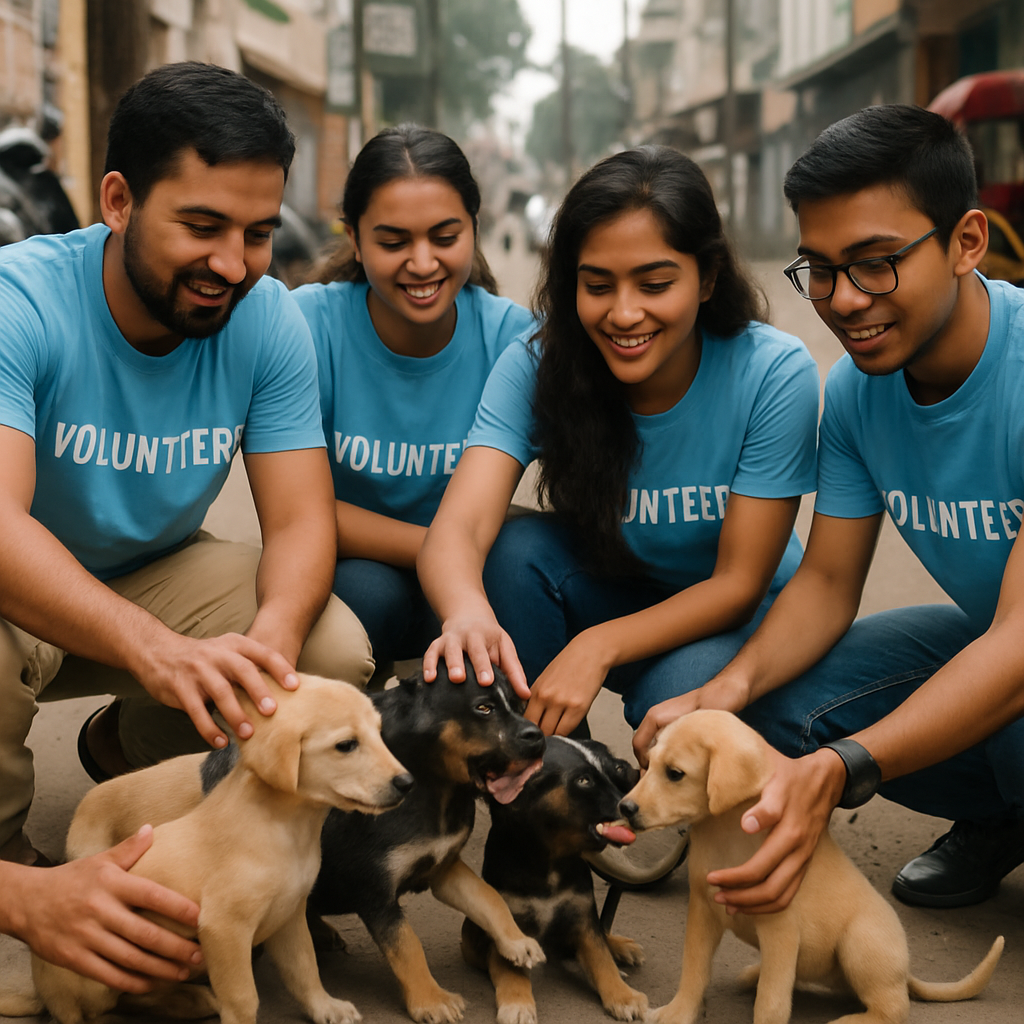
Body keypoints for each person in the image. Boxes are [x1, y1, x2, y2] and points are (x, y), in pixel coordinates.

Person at [0, 62, 373, 986]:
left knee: (327, 647)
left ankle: (149, 773)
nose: (231, 263)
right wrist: (156, 653)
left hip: (153, 572)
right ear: (118, 201)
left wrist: (270, 658)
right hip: (17, 585)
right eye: (201, 226)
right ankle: (21, 881)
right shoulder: (22, 299)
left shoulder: (267, 317)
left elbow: (299, 525)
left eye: (254, 233)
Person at [634, 104, 1024, 915]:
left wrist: (849, 765)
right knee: (779, 710)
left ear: (966, 242)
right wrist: (729, 688)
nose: (844, 300)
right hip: (997, 641)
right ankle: (1001, 814)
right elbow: (826, 583)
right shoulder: (853, 394)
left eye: (876, 263)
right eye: (820, 267)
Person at [417, 146, 819, 736]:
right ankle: (549, 789)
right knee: (511, 551)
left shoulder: (772, 372)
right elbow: (458, 529)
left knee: (673, 703)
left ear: (707, 278)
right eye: (598, 286)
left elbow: (738, 586)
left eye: (654, 284)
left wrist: (596, 645)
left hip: (739, 619)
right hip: (618, 585)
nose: (624, 314)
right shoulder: (538, 363)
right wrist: (466, 612)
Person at [292, 125, 535, 668]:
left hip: (473, 576)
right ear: (354, 239)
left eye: (445, 238)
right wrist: (439, 550)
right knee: (367, 595)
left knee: (515, 577)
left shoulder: (514, 340)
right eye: (394, 241)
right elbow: (296, 510)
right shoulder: (309, 326)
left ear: (475, 229)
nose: (422, 263)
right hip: (353, 568)